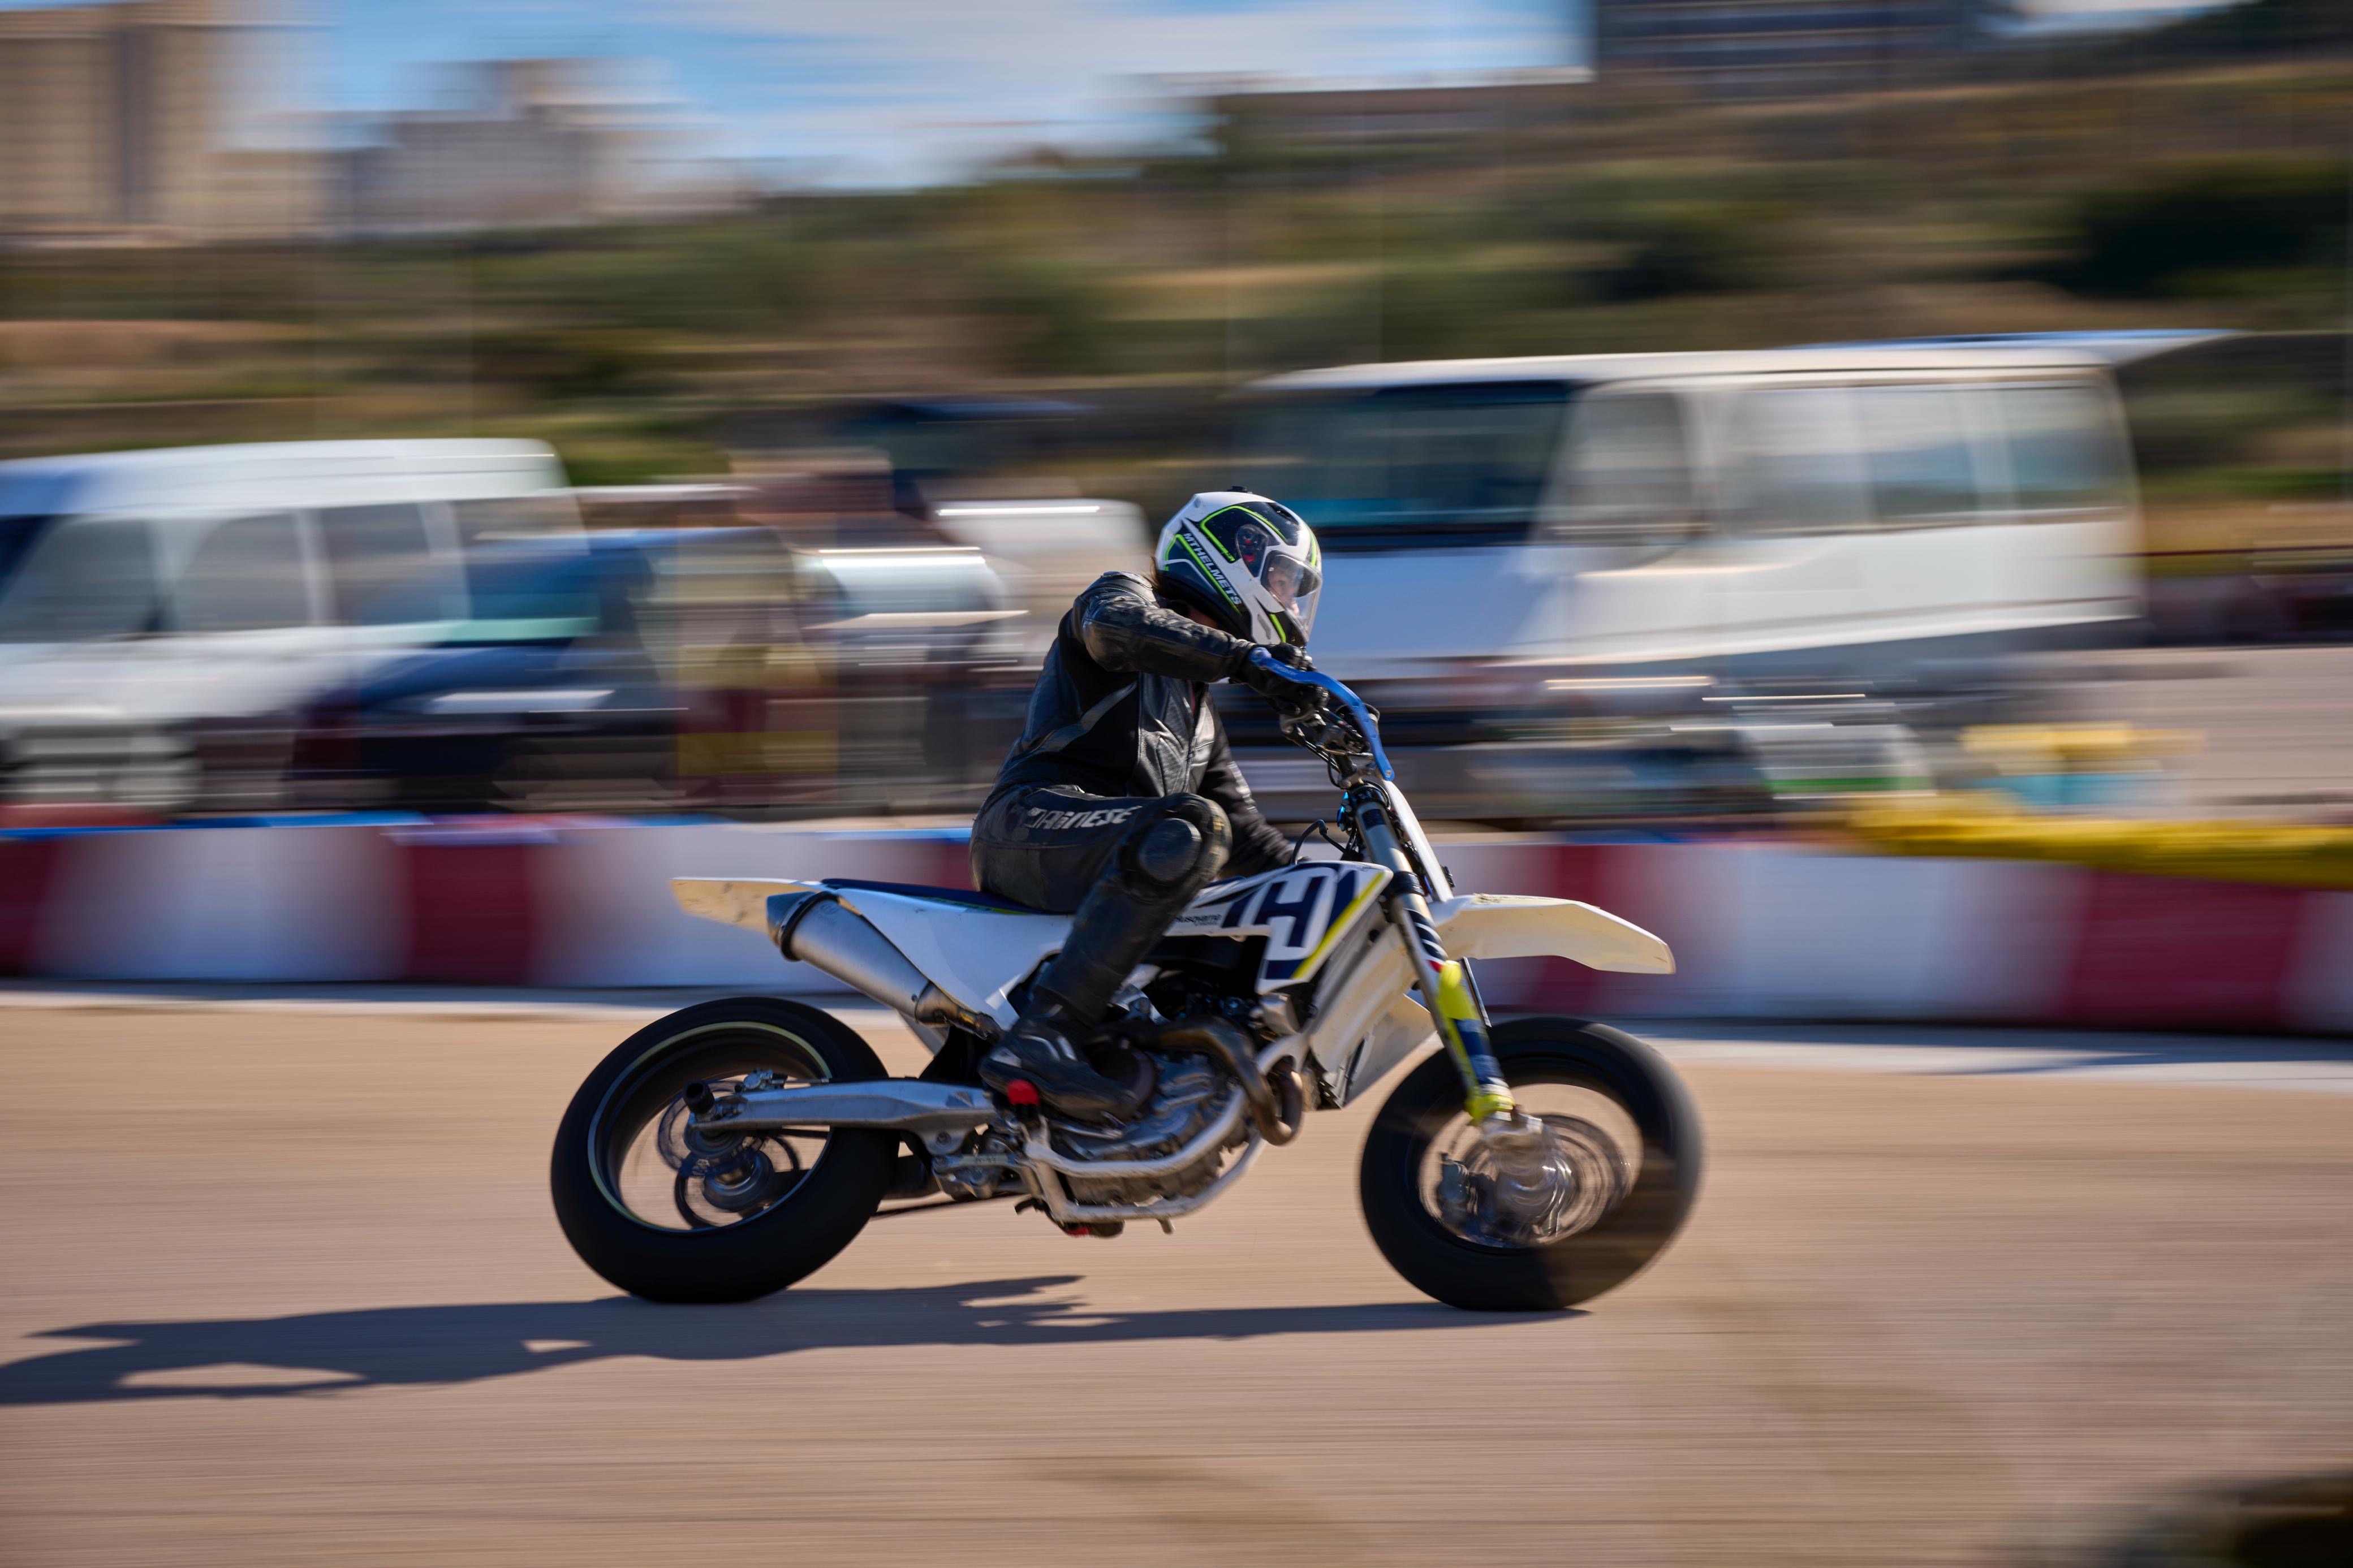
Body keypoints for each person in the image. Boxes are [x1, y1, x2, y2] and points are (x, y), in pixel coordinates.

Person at [968, 490, 1327, 1122]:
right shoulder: (1120, 597)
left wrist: (1330, 880)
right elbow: (1113, 630)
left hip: (1101, 850)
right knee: (1191, 826)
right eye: (1280, 580)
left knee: (1235, 849)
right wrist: (1246, 659)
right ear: (1232, 556)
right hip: (1030, 823)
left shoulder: (1200, 712)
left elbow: (1248, 837)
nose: (1289, 601)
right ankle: (1042, 1038)